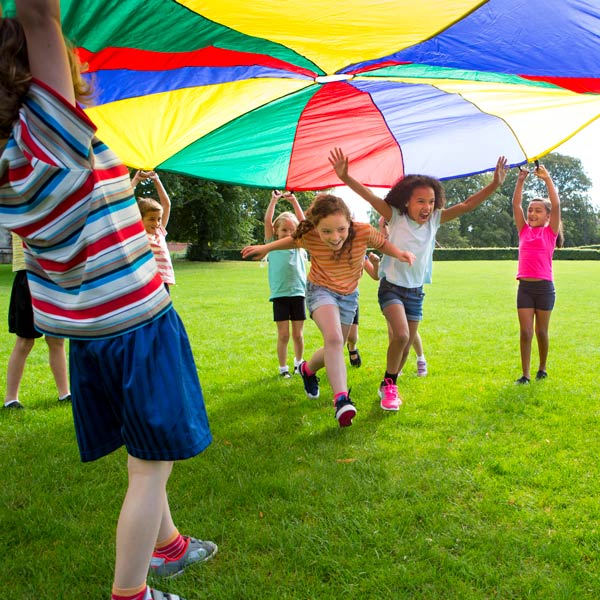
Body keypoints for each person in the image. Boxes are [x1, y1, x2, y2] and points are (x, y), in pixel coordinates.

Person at [0, 3, 215, 600]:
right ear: (35, 82)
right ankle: (132, 592)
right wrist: (38, 25)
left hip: (89, 334)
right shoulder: (51, 138)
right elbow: (39, 14)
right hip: (137, 327)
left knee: (145, 452)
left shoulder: (8, 167)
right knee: (151, 469)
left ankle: (169, 546)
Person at [330, 148, 507, 410]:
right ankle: (391, 384)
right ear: (407, 203)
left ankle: (388, 383)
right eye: (421, 201)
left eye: (432, 201)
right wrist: (346, 177)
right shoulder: (395, 216)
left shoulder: (435, 220)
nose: (427, 207)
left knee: (405, 343)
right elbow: (368, 196)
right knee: (401, 335)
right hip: (391, 287)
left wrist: (494, 184)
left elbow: (467, 205)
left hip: (416, 292)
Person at [242, 193, 415, 427]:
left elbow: (382, 243)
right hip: (320, 291)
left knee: (336, 345)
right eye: (327, 232)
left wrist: (400, 253)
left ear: (350, 222)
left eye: (341, 230)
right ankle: (342, 400)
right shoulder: (309, 235)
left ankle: (307, 370)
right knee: (333, 339)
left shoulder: (362, 231)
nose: (335, 238)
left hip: (348, 296)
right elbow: (291, 240)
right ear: (316, 228)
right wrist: (267, 248)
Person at [4, 233, 71, 409]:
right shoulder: (20, 211)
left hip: (51, 275)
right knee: (25, 340)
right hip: (28, 274)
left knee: (56, 339)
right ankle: (11, 399)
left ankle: (65, 394)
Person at [512, 163, 562, 384]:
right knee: (525, 333)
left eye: (538, 210)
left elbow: (557, 203)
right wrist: (520, 180)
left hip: (544, 289)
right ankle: (525, 374)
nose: (532, 213)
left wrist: (547, 178)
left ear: (548, 216)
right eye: (531, 210)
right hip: (525, 288)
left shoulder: (550, 233)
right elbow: (516, 205)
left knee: (541, 332)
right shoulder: (523, 230)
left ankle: (542, 368)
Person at [263, 189, 307, 378]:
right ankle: (283, 369)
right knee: (283, 335)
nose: (288, 233)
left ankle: (299, 364)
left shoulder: (299, 244)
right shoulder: (271, 244)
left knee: (298, 334)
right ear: (276, 231)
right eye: (284, 230)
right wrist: (274, 200)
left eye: (291, 230)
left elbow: (305, 223)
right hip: (280, 295)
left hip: (298, 293)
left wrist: (294, 201)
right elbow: (267, 221)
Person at [365, 249, 428, 377]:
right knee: (396, 332)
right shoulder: (387, 246)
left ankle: (420, 358)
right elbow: (376, 275)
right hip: (390, 290)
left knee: (408, 332)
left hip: (410, 287)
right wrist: (376, 263)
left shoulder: (400, 242)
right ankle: (394, 369)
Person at [133, 170, 176, 292]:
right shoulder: (138, 233)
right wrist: (135, 180)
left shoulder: (160, 231)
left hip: (163, 282)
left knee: (164, 311)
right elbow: (121, 205)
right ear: (139, 218)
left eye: (158, 219)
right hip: (145, 282)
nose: (156, 223)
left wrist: (156, 180)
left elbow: (166, 205)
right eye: (151, 219)